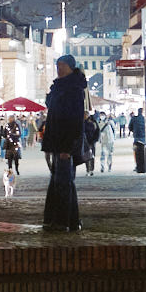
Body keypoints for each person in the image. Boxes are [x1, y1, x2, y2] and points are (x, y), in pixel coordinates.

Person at [42, 54, 87, 232]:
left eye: (61, 65)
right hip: (57, 142)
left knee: (62, 183)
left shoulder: (73, 89)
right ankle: (70, 220)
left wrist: (68, 147)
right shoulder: (60, 87)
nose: (58, 69)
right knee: (62, 182)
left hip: (64, 144)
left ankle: (61, 221)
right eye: (57, 65)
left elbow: (74, 120)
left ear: (70, 67)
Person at [129, 108, 146, 173]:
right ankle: (145, 167)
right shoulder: (145, 119)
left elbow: (130, 127)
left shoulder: (134, 119)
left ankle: (138, 166)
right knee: (145, 153)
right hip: (144, 139)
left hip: (136, 139)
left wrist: (134, 131)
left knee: (135, 152)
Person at [83, 109, 101, 176]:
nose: (84, 116)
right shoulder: (82, 122)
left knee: (92, 156)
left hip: (92, 142)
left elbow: (97, 132)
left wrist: (95, 140)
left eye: (85, 115)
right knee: (86, 156)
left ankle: (91, 169)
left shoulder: (93, 122)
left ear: (88, 115)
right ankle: (87, 169)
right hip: (85, 142)